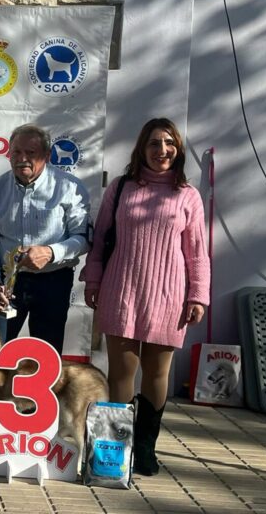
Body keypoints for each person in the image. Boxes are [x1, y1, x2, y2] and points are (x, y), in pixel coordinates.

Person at [81, 118, 209, 476]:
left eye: (169, 143)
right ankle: (113, 453)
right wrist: (93, 281)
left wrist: (198, 295)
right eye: (154, 143)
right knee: (122, 373)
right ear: (142, 149)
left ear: (178, 150)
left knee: (156, 373)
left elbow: (197, 252)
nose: (162, 150)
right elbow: (100, 238)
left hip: (169, 295)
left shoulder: (188, 195)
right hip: (121, 290)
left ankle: (145, 447)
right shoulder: (121, 188)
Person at [0, 123, 90, 444]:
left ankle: (39, 433)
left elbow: (82, 238)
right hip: (7, 286)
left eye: (31, 153)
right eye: (16, 152)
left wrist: (52, 252)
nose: (22, 159)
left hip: (53, 282)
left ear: (46, 155)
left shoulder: (70, 188)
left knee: (46, 360)